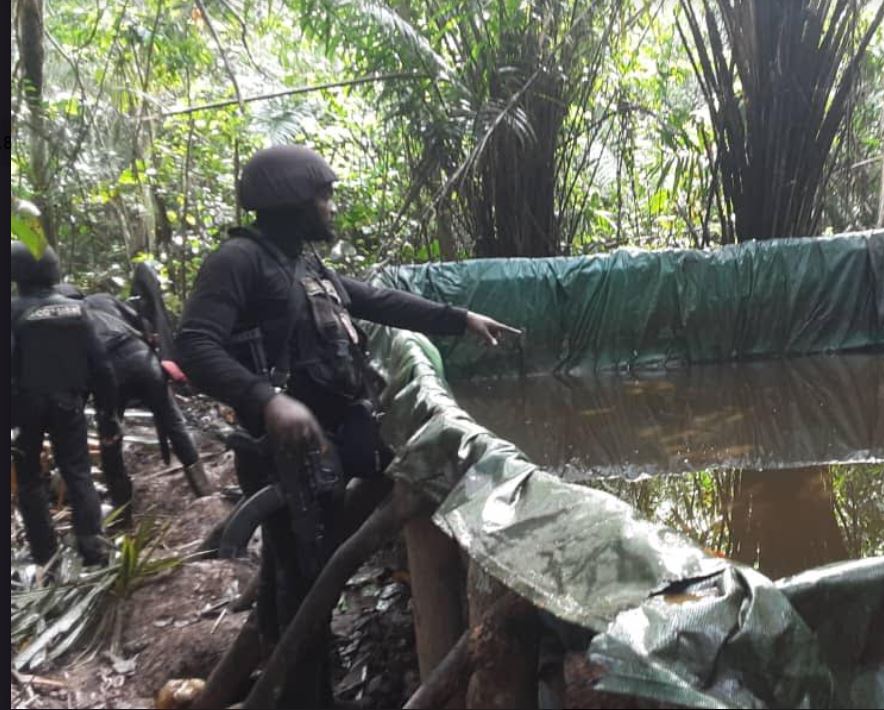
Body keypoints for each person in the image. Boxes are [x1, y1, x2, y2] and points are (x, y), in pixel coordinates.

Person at [176, 144, 518, 708]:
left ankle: (291, 684)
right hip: (285, 461)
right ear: (291, 201)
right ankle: (303, 696)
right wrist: (267, 402)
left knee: (306, 587)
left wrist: (460, 320)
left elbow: (379, 301)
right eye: (324, 195)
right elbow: (194, 344)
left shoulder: (304, 264)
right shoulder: (238, 261)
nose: (331, 206)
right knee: (303, 595)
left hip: (332, 449)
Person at [11, 242, 120, 567]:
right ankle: (92, 545)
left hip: (25, 408)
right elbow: (102, 366)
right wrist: (108, 414)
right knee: (78, 472)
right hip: (68, 404)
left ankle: (46, 555)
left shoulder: (13, 311)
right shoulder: (76, 309)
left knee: (29, 479)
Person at [73, 289, 214, 509]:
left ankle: (122, 509)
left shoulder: (66, 318)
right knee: (173, 422)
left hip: (108, 374)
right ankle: (204, 490)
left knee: (110, 439)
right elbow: (142, 322)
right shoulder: (104, 299)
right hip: (142, 361)